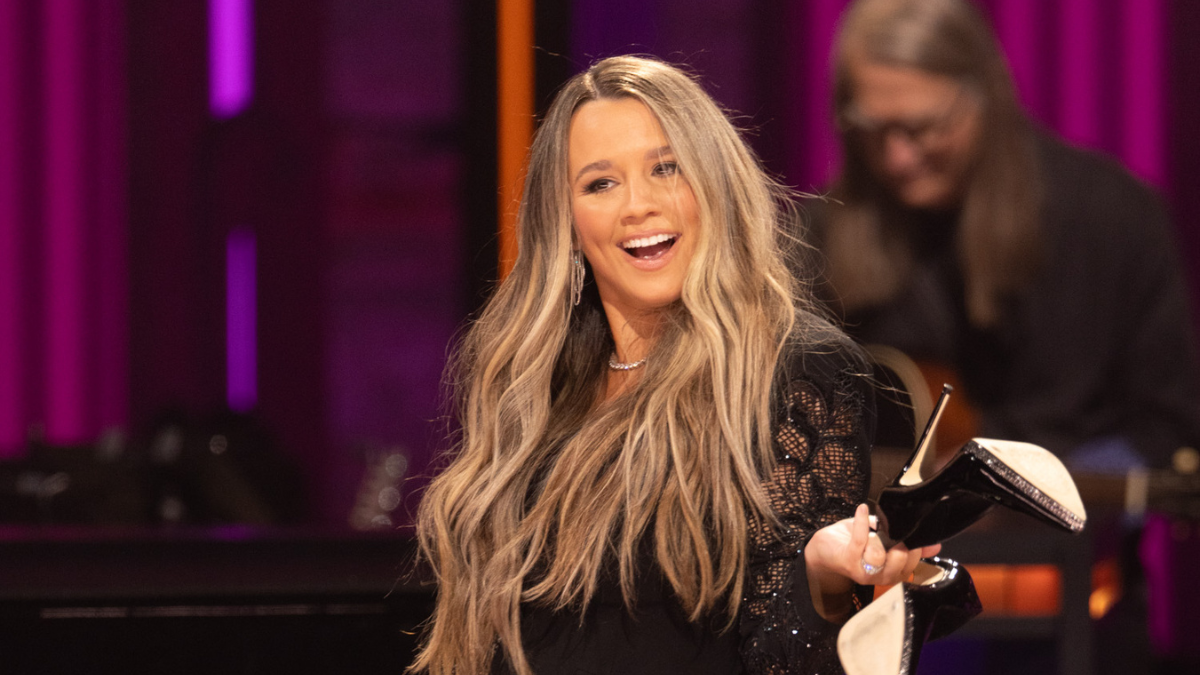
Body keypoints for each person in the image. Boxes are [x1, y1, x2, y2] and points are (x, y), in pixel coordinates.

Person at [410, 56, 939, 675]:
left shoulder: (796, 370)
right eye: (600, 184)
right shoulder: (529, 380)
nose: (638, 205)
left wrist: (820, 578)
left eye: (667, 168)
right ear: (567, 221)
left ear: (715, 184)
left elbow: (782, 653)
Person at [813, 0, 1200, 471]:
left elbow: (1166, 425)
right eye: (872, 128)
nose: (897, 158)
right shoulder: (818, 234)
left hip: (1072, 514)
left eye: (923, 128)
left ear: (985, 96)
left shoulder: (1110, 218)